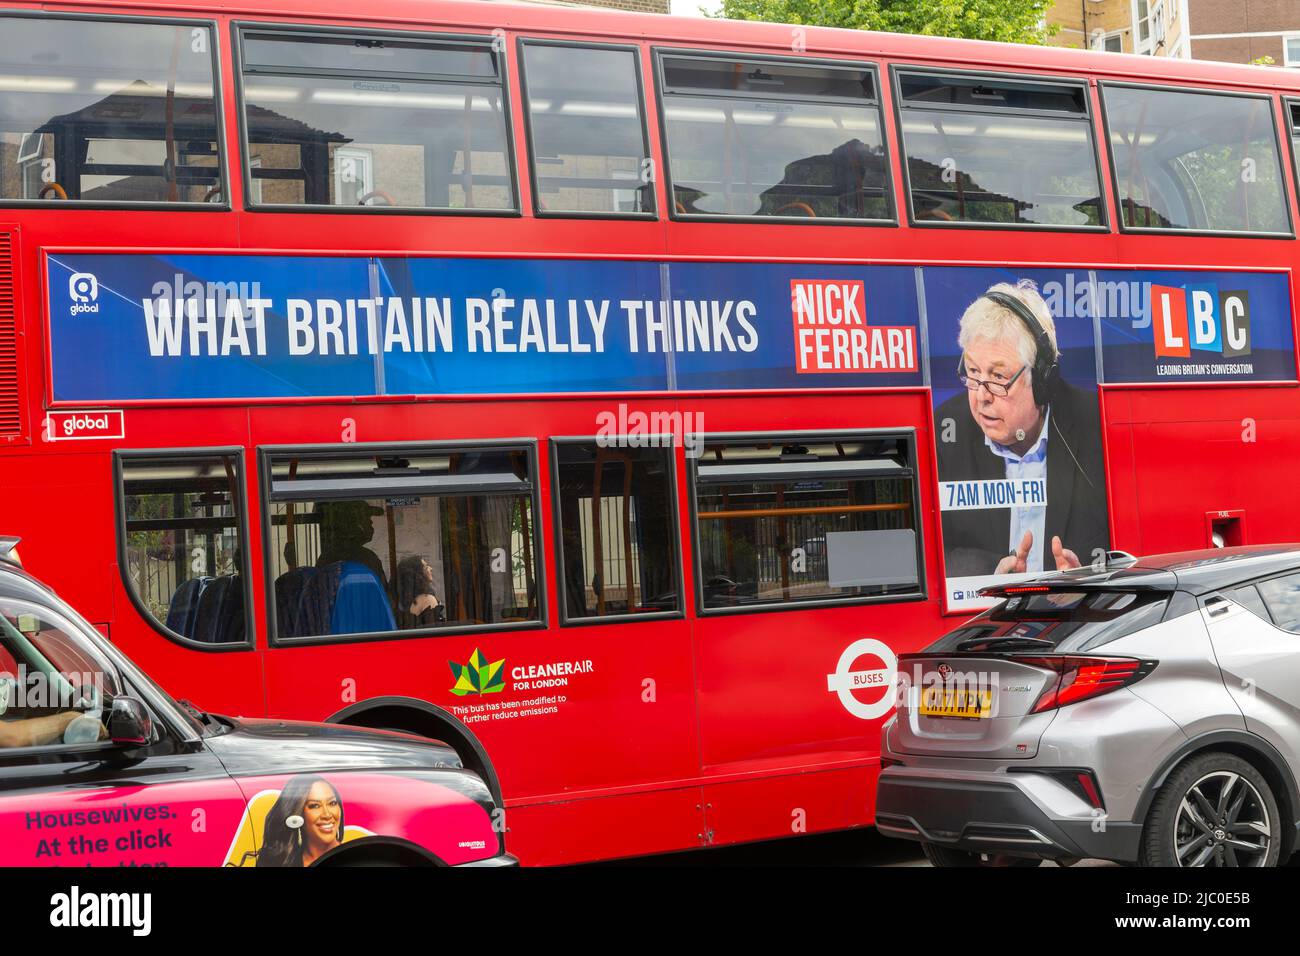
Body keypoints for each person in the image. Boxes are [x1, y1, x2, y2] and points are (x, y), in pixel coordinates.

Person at [934, 280, 1108, 577]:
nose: (981, 396)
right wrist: (990, 574)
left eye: (998, 376)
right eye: (973, 373)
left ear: (1041, 380)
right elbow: (933, 555)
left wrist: (1090, 577)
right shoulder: (944, 431)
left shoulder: (1099, 425)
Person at [257, 775, 345, 867]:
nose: (327, 814)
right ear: (297, 814)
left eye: (332, 803)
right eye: (315, 806)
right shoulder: (281, 862)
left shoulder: (355, 857)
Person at [395, 555, 444, 629]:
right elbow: (434, 631)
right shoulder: (427, 599)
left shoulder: (404, 600)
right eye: (426, 567)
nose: (431, 568)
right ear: (418, 574)